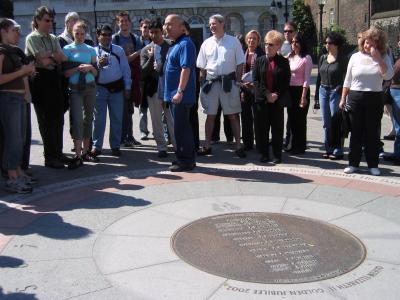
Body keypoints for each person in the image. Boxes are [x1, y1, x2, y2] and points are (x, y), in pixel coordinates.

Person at [339, 27, 394, 176]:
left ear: (378, 44)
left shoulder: (384, 56)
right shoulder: (355, 57)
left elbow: (388, 76)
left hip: (374, 97)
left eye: (371, 43)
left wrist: (378, 60)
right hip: (356, 97)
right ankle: (353, 163)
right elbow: (347, 79)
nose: (367, 46)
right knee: (355, 132)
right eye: (365, 42)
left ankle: (373, 164)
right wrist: (343, 97)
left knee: (372, 133)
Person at [196, 14, 246, 158]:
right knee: (210, 116)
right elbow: (201, 66)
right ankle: (207, 145)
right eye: (210, 24)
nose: (211, 26)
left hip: (229, 83)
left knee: (232, 115)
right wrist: (202, 83)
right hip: (211, 83)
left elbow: (240, 63)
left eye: (214, 23)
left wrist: (237, 82)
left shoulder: (233, 42)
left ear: (222, 24)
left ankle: (238, 145)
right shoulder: (206, 43)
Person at [25, 6, 67, 169]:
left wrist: (48, 55)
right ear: (37, 20)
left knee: (58, 119)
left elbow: (62, 57)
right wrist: (52, 56)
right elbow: (42, 62)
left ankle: (58, 153)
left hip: (54, 79)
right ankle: (50, 157)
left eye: (51, 20)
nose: (50, 23)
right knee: (46, 120)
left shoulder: (53, 38)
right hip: (40, 81)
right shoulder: (32, 38)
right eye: (46, 20)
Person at [0, 18, 35, 193]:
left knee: (20, 138)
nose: (18, 34)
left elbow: (23, 74)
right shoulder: (2, 52)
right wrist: (23, 71)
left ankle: (17, 172)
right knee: (13, 139)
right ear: (4, 31)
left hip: (19, 99)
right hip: (8, 98)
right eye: (14, 30)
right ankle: (12, 176)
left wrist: (27, 91)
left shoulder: (14, 51)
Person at [91, 25, 131, 157]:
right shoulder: (93, 52)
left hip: (117, 89)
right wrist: (98, 65)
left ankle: (115, 145)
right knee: (98, 119)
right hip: (100, 89)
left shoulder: (118, 50)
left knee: (116, 118)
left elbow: (125, 69)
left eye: (109, 34)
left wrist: (127, 87)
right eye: (104, 34)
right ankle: (97, 146)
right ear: (98, 36)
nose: (107, 37)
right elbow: (91, 71)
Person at [62, 21, 98, 169]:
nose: (80, 36)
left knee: (88, 119)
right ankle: (77, 155)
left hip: (90, 87)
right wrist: (77, 68)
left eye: (82, 33)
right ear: (72, 33)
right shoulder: (67, 49)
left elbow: (96, 73)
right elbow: (65, 73)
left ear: (86, 33)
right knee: (77, 120)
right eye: (77, 33)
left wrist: (90, 67)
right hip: (75, 88)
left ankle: (85, 151)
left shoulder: (91, 49)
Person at [163, 14, 196, 172]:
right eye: (165, 24)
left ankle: (186, 160)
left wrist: (180, 91)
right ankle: (184, 157)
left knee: (181, 128)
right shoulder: (175, 44)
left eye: (170, 24)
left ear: (181, 27)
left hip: (181, 96)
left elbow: (186, 68)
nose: (166, 27)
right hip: (174, 95)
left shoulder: (185, 44)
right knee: (180, 127)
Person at [253, 30, 290, 164]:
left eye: (271, 45)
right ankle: (263, 153)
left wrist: (276, 94)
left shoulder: (283, 62)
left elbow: (286, 81)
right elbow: (256, 80)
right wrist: (267, 94)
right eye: (266, 44)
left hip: (276, 101)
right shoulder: (259, 60)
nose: (267, 47)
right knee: (262, 128)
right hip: (262, 100)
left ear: (278, 46)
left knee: (277, 129)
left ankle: (277, 155)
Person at [140, 18, 176, 158]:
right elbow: (142, 72)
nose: (154, 35)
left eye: (156, 32)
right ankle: (161, 147)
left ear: (162, 32)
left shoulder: (171, 46)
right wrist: (150, 58)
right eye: (151, 32)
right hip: (154, 88)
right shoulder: (145, 49)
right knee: (156, 120)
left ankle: (177, 144)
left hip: (170, 88)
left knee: (172, 119)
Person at [315, 31, 348, 160]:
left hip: (336, 91)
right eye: (326, 42)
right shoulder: (323, 57)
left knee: (336, 121)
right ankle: (328, 148)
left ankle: (338, 149)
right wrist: (317, 96)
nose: (327, 45)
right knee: (326, 122)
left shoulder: (343, 59)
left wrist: (343, 90)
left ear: (337, 44)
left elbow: (347, 76)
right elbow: (319, 76)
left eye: (330, 43)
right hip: (323, 90)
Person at [113, 11, 142, 148]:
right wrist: (135, 54)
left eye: (126, 20)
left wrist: (132, 56)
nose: (124, 23)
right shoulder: (115, 39)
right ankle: (122, 137)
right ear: (118, 23)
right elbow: (121, 60)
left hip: (133, 77)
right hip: (120, 78)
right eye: (121, 21)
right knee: (122, 109)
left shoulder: (134, 38)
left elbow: (137, 58)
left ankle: (129, 135)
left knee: (129, 109)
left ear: (129, 22)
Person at [287, 32, 313, 155]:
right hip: (291, 90)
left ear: (301, 43)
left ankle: (300, 146)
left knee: (300, 120)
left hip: (301, 91)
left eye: (296, 42)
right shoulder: (291, 57)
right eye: (292, 42)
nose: (294, 44)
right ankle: (291, 144)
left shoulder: (306, 58)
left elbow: (307, 79)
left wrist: (303, 97)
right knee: (291, 120)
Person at [240, 30, 265, 151]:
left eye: (254, 38)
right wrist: (242, 84)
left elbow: (264, 73)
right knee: (245, 117)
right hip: (244, 89)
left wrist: (254, 83)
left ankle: (260, 144)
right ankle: (247, 143)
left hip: (257, 89)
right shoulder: (243, 53)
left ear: (258, 41)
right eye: (249, 38)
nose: (251, 40)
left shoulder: (261, 54)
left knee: (258, 118)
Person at [281, 21, 297, 150]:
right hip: (282, 84)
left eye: (290, 31)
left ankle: (291, 141)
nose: (287, 33)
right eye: (285, 31)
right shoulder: (281, 45)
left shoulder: (297, 45)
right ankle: (283, 139)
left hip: (294, 84)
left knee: (292, 115)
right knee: (279, 114)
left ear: (295, 32)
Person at [383, 48, 400, 165]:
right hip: (395, 91)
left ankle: (398, 155)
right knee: (398, 125)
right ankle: (397, 153)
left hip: (398, 91)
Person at [138, 19, 151, 140]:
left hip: (153, 78)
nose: (146, 29)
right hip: (141, 79)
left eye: (148, 27)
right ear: (140, 28)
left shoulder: (155, 41)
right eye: (145, 27)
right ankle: (143, 131)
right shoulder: (137, 42)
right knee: (143, 107)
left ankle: (162, 131)